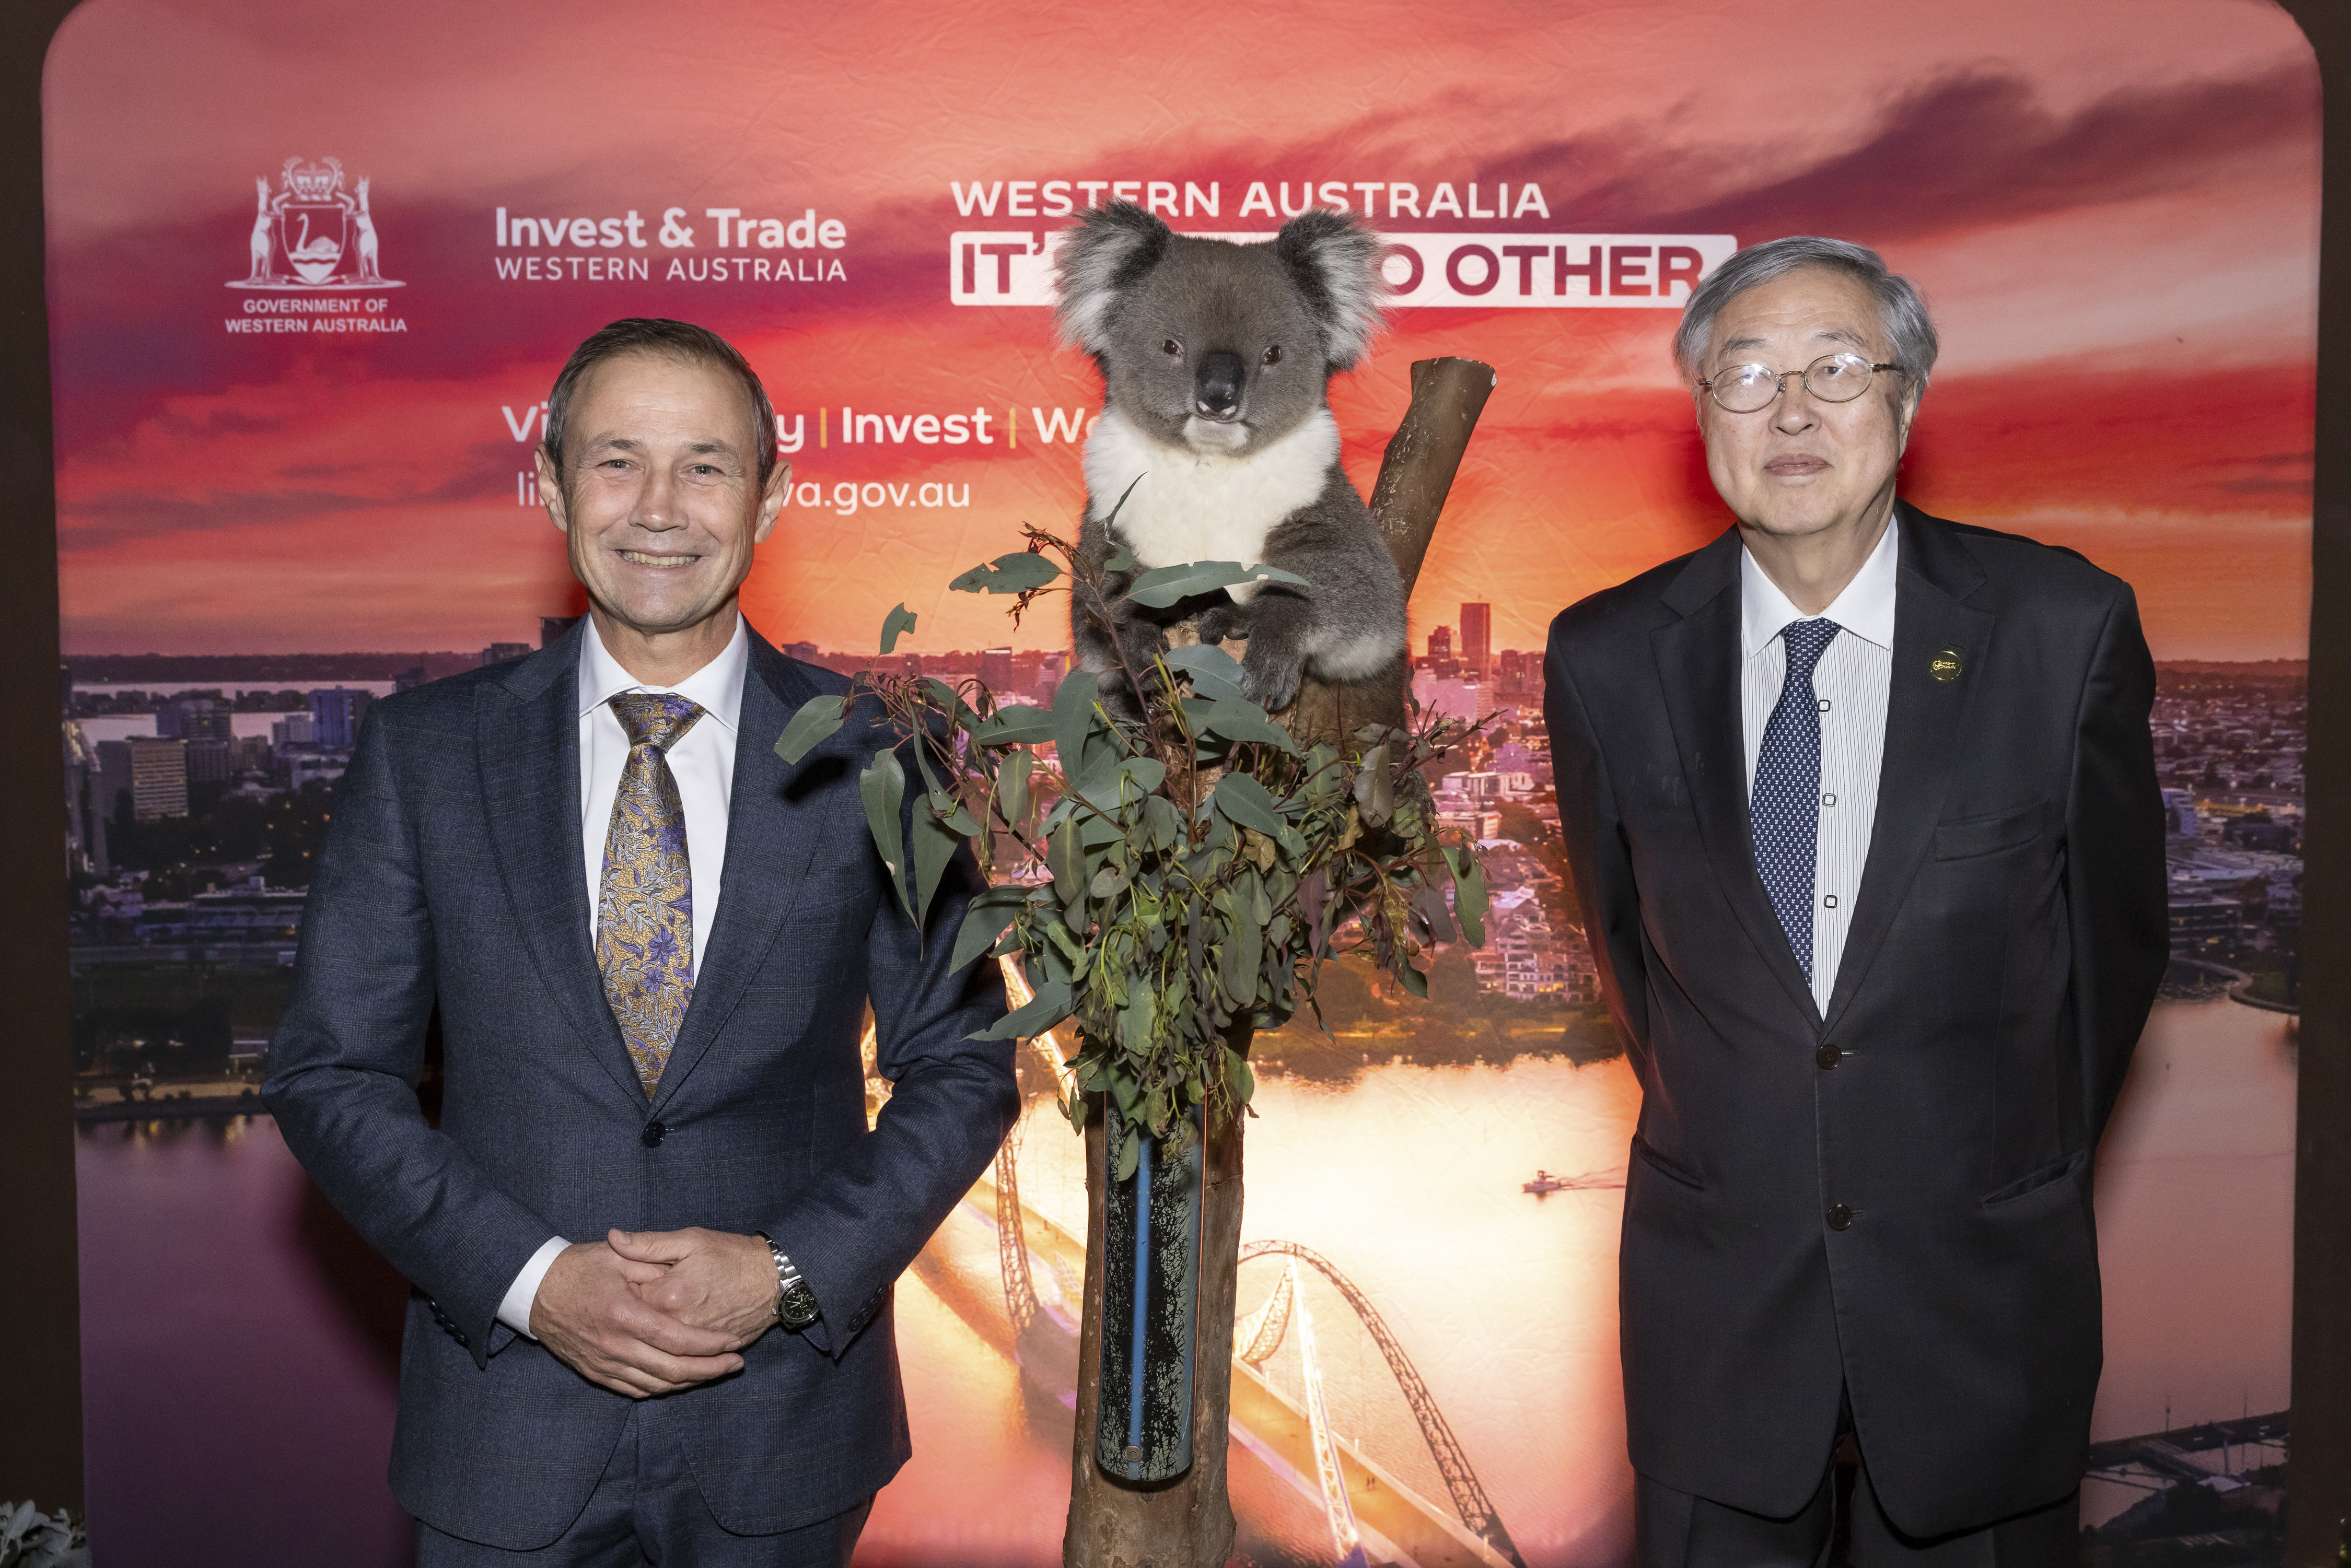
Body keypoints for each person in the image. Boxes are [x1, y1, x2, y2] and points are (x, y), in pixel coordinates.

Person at [265, 317, 1015, 1565]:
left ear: (769, 498)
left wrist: (785, 1271)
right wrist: (532, 1280)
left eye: (707, 466)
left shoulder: (878, 759)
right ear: (554, 483)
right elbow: (329, 1072)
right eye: (618, 461)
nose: (660, 508)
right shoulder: (428, 754)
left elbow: (966, 1061)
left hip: (783, 1428)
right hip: (504, 1430)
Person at [1543, 238, 2166, 1565]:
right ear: (1703, 415)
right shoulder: (1605, 655)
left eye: (1837, 367)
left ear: (1908, 400)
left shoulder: (2061, 631)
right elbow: (1634, 967)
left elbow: (2112, 972)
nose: (1790, 410)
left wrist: (1993, 1166)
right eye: (1745, 372)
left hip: (1980, 1315)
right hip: (1717, 1313)